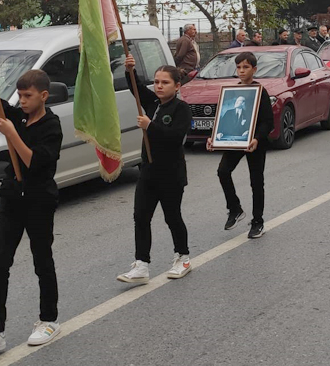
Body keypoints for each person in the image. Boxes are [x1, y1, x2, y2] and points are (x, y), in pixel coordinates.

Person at [0, 60, 63, 357]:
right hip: (12, 198)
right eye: (19, 96)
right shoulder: (16, 117)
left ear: (43, 96)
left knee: (41, 261)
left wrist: (12, 135)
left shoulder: (51, 125)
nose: (21, 101)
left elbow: (35, 162)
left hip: (38, 198)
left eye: (27, 97)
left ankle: (48, 320)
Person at [117, 60, 192, 285]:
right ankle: (141, 264)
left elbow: (175, 137)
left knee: (172, 217)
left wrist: (150, 126)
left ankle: (183, 257)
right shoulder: (152, 102)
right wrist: (130, 69)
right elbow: (136, 88)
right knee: (140, 217)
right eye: (157, 82)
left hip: (171, 173)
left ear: (177, 86)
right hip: (148, 173)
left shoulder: (181, 109)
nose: (159, 86)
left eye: (165, 83)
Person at [208, 52, 273, 240]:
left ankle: (257, 222)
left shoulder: (260, 92)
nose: (241, 71)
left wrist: (257, 138)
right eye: (238, 67)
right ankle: (235, 208)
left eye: (245, 67)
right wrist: (214, 137)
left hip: (254, 144)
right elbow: (222, 120)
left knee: (256, 182)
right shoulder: (232, 91)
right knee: (223, 171)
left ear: (254, 69)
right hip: (234, 142)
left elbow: (268, 122)